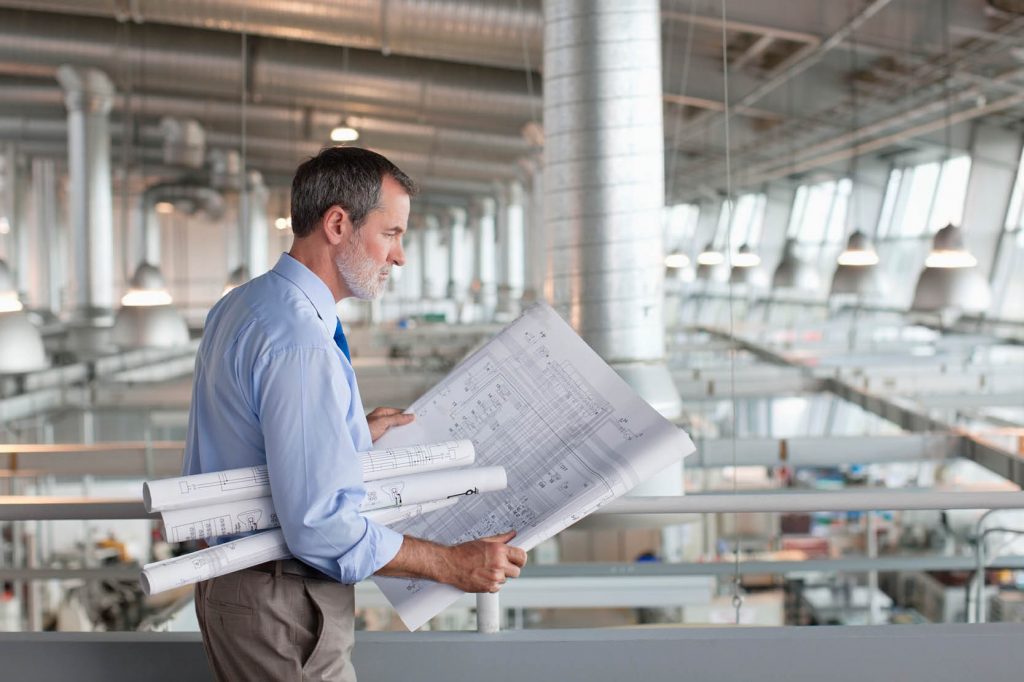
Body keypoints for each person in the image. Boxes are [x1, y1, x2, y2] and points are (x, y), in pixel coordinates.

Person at [182, 147, 526, 681]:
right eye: (391, 233)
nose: (399, 256)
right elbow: (320, 525)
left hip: (244, 592)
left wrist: (340, 435)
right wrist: (452, 564)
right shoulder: (300, 341)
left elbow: (250, 430)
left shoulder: (244, 305)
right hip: (284, 604)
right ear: (338, 223)